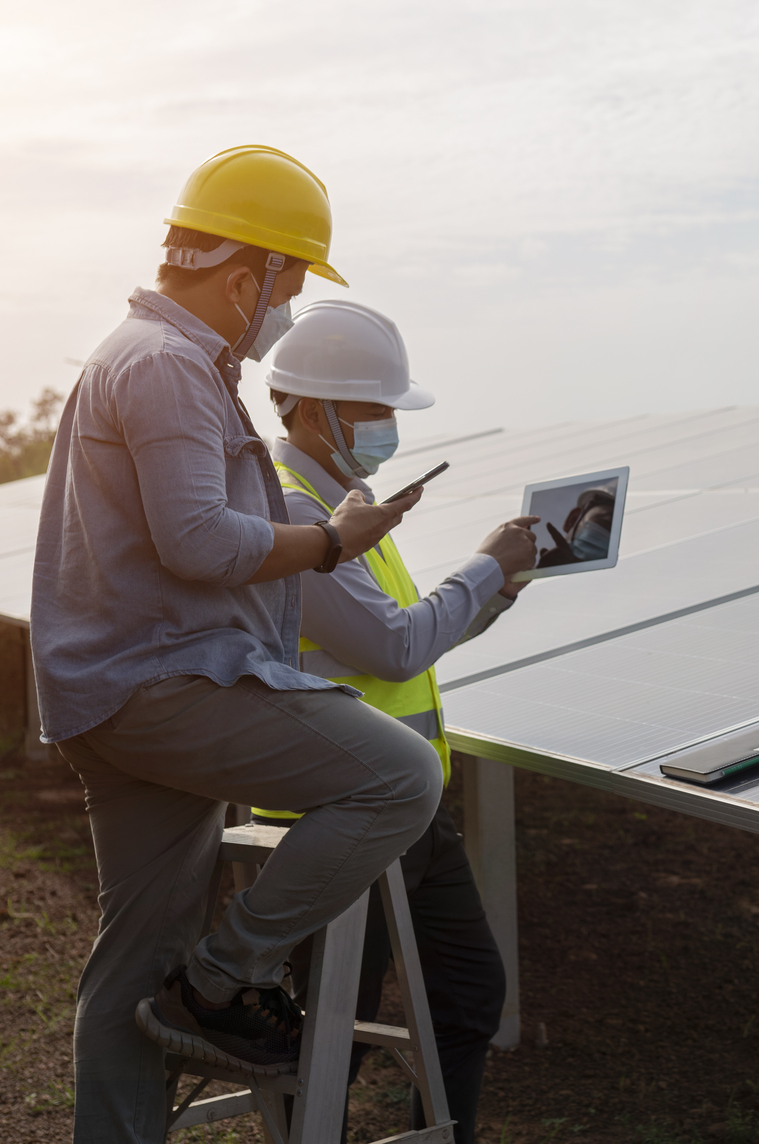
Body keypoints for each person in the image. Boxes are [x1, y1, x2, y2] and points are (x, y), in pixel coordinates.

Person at [30, 146, 444, 1143]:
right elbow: (197, 540)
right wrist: (331, 539)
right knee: (398, 776)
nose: (286, 306)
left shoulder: (138, 355)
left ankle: (170, 1022)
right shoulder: (168, 364)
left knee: (131, 969)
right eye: (288, 280)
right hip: (165, 683)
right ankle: (224, 976)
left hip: (111, 691)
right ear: (241, 271)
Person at [256, 299, 538, 1144]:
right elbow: (390, 647)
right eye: (372, 409)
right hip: (337, 811)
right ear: (311, 409)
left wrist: (500, 591)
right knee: (327, 1035)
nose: (386, 427)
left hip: (407, 806)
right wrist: (486, 567)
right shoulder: (294, 515)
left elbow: (406, 633)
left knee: (468, 995)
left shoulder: (349, 501)